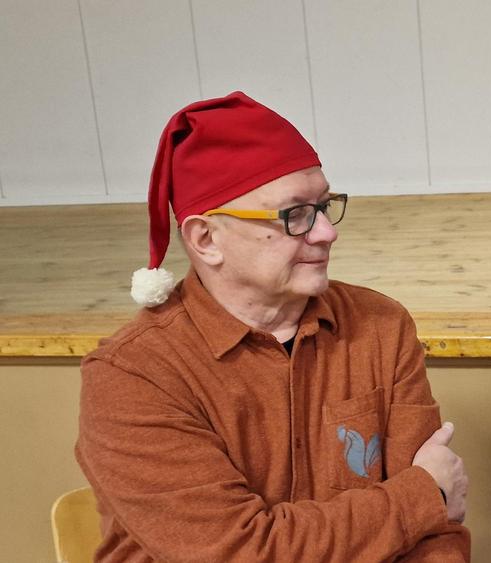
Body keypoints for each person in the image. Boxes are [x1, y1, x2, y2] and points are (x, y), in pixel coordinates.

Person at [75, 92, 470, 562]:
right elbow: (242, 553)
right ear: (206, 239)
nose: (327, 232)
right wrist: (422, 495)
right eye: (295, 214)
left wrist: (428, 503)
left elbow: (435, 536)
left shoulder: (381, 325)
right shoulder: (132, 374)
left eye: (325, 205)